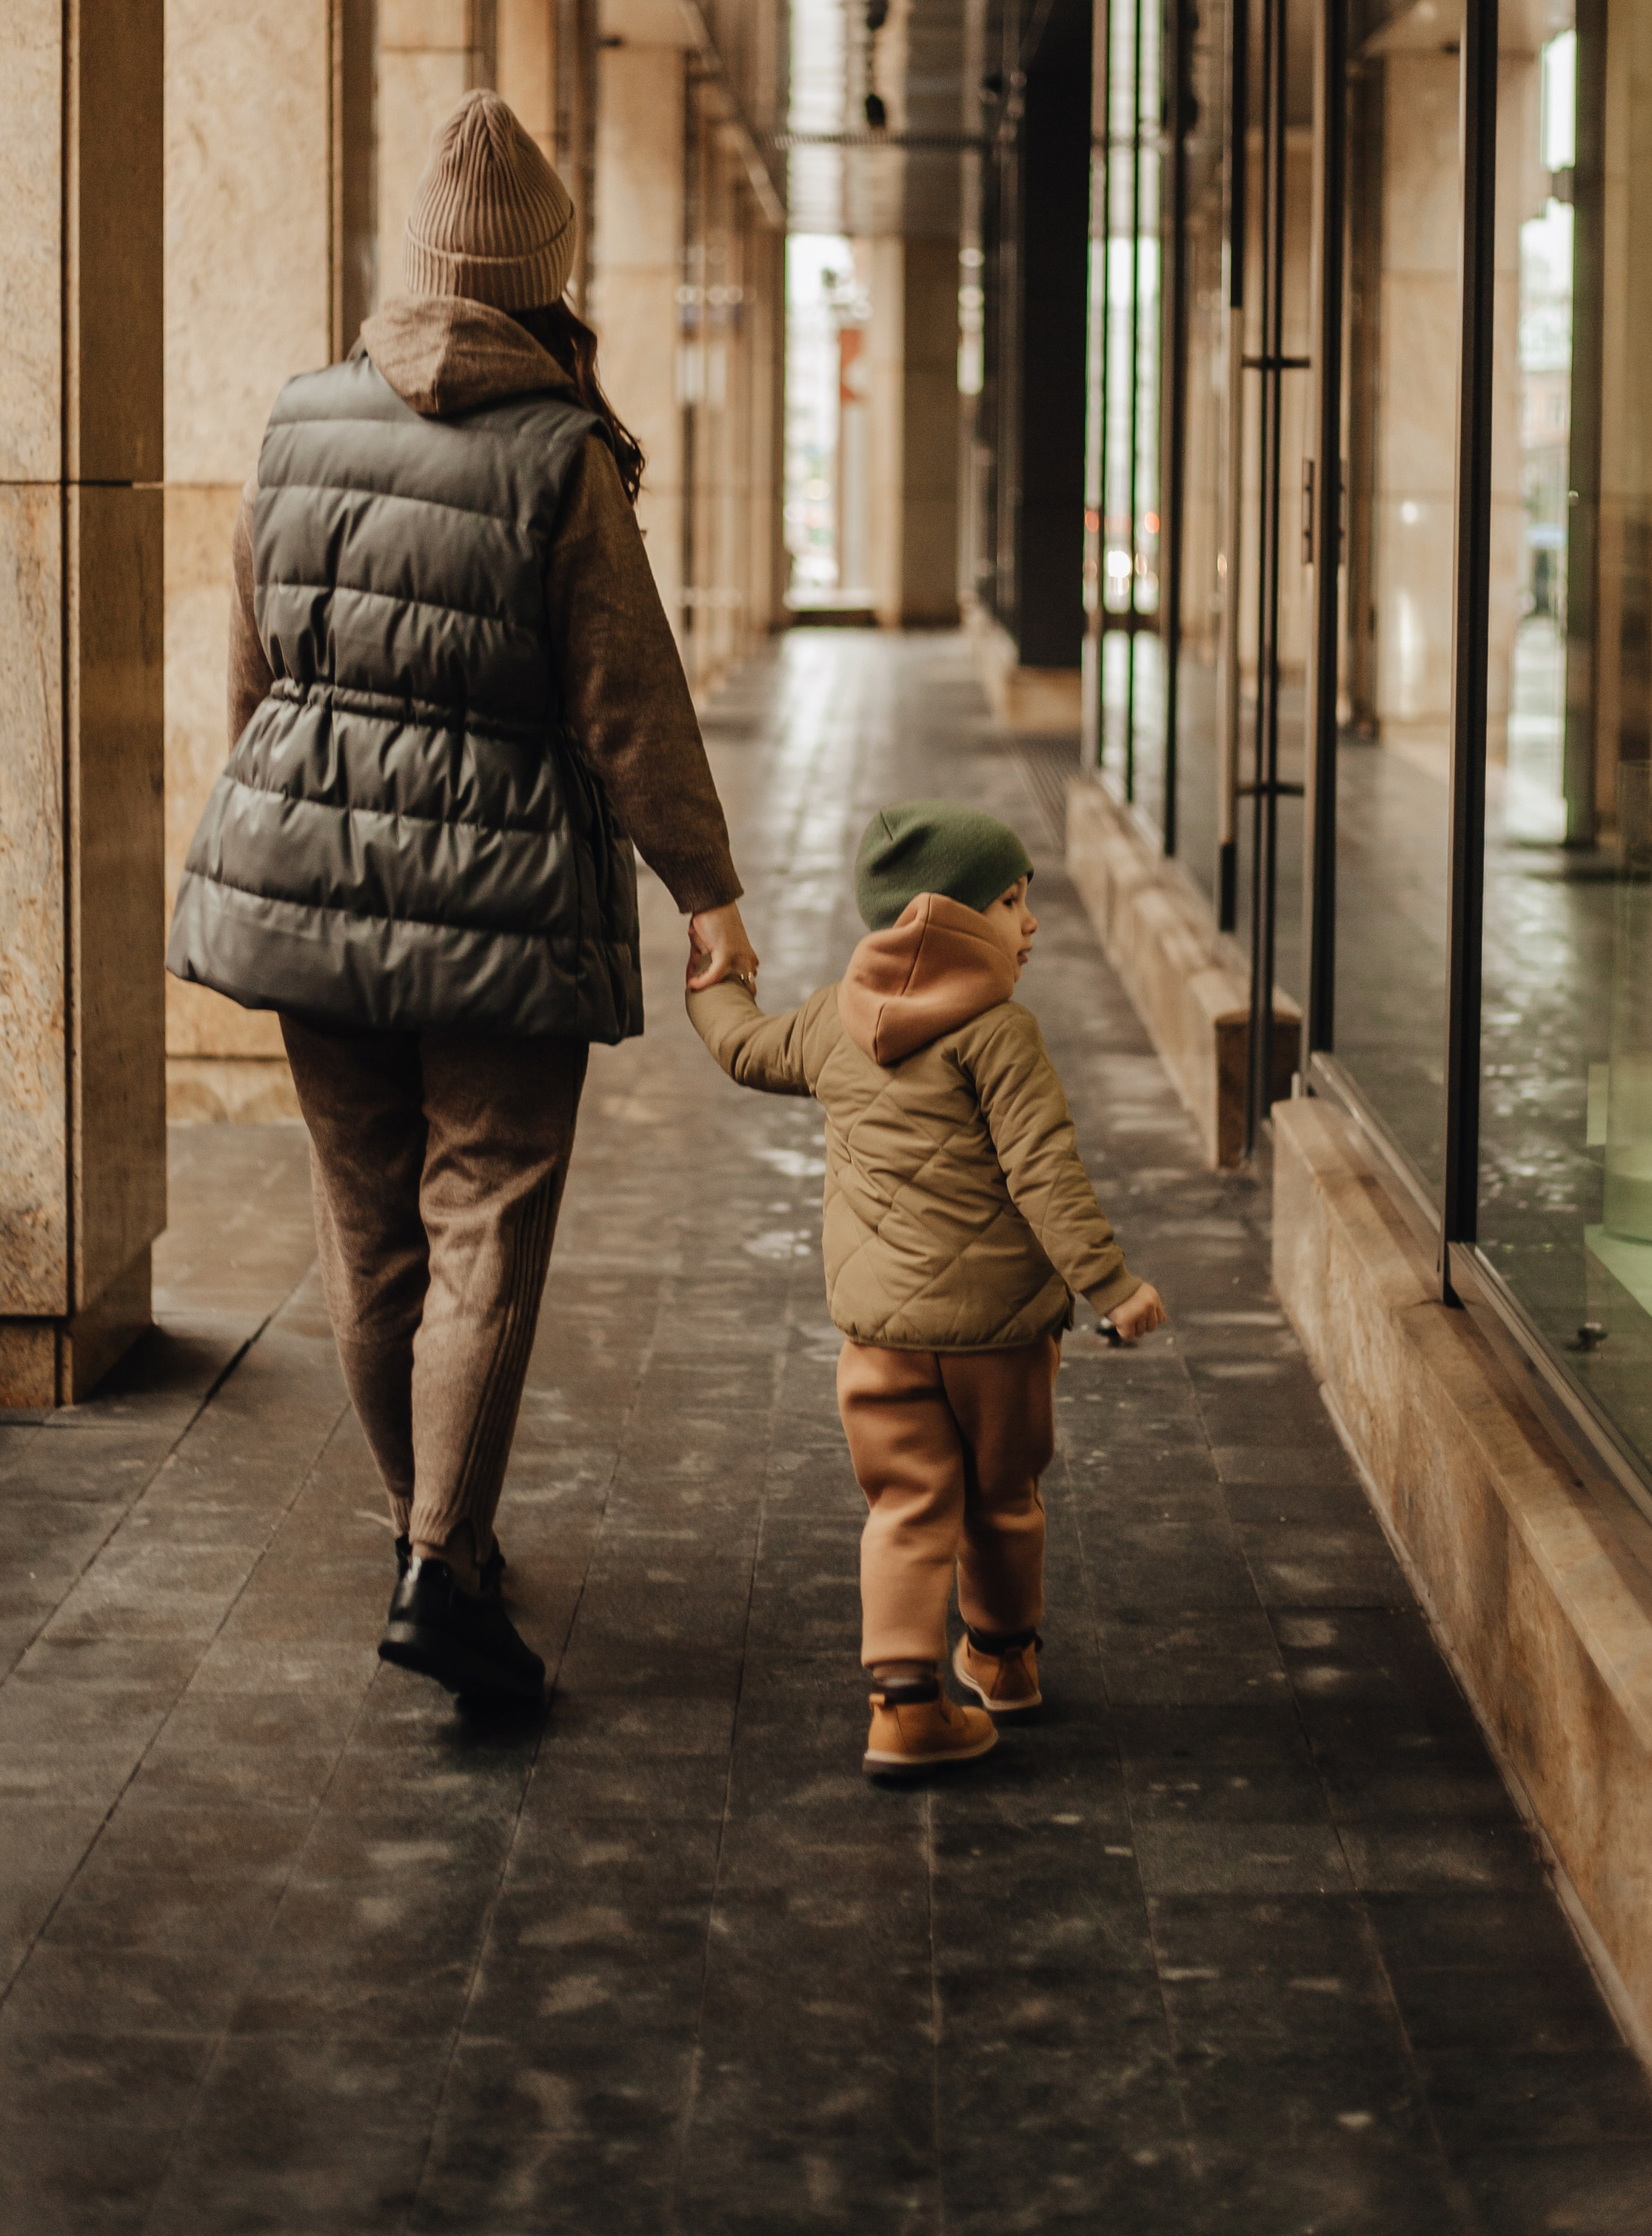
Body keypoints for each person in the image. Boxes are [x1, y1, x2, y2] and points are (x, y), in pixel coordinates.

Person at [167, 91, 758, 1709]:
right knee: (481, 1220)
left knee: (367, 1248)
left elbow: (251, 678)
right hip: (497, 914)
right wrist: (705, 892)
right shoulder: (561, 453)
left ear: (410, 266)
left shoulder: (296, 417)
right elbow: (624, 702)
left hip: (303, 886)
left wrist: (274, 848)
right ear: (543, 278)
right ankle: (441, 1564)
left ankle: (427, 1539)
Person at [686, 801, 1165, 1779]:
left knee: (906, 1504)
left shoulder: (828, 1021)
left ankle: (903, 1707)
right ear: (946, 918)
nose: (1029, 922)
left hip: (883, 1339)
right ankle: (1004, 1658)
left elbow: (742, 1047)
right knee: (1004, 1498)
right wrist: (1110, 1285)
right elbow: (1045, 1175)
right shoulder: (1000, 1035)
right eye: (1009, 901)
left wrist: (717, 977)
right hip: (1000, 1339)